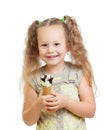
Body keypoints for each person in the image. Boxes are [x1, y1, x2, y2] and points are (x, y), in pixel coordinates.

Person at [22, 15, 96, 130]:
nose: (50, 50)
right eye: (44, 45)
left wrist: (66, 102)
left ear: (68, 46)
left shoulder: (78, 73)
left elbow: (90, 111)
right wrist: (38, 104)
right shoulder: (33, 79)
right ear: (37, 48)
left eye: (56, 44)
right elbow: (27, 120)